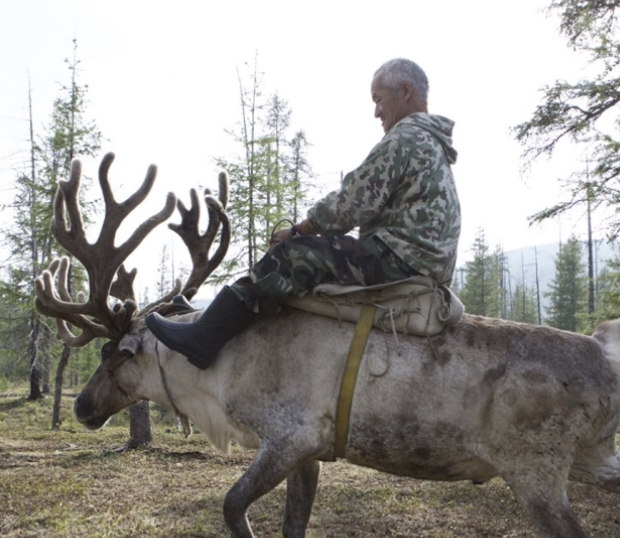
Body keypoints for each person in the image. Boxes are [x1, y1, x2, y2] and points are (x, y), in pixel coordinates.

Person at [146, 58, 461, 370]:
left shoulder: (405, 138)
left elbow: (350, 205)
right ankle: (208, 318)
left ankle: (204, 338)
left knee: (289, 257)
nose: (376, 111)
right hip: (423, 263)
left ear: (405, 91)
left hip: (399, 262)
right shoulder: (433, 144)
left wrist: (299, 232)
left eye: (378, 99)